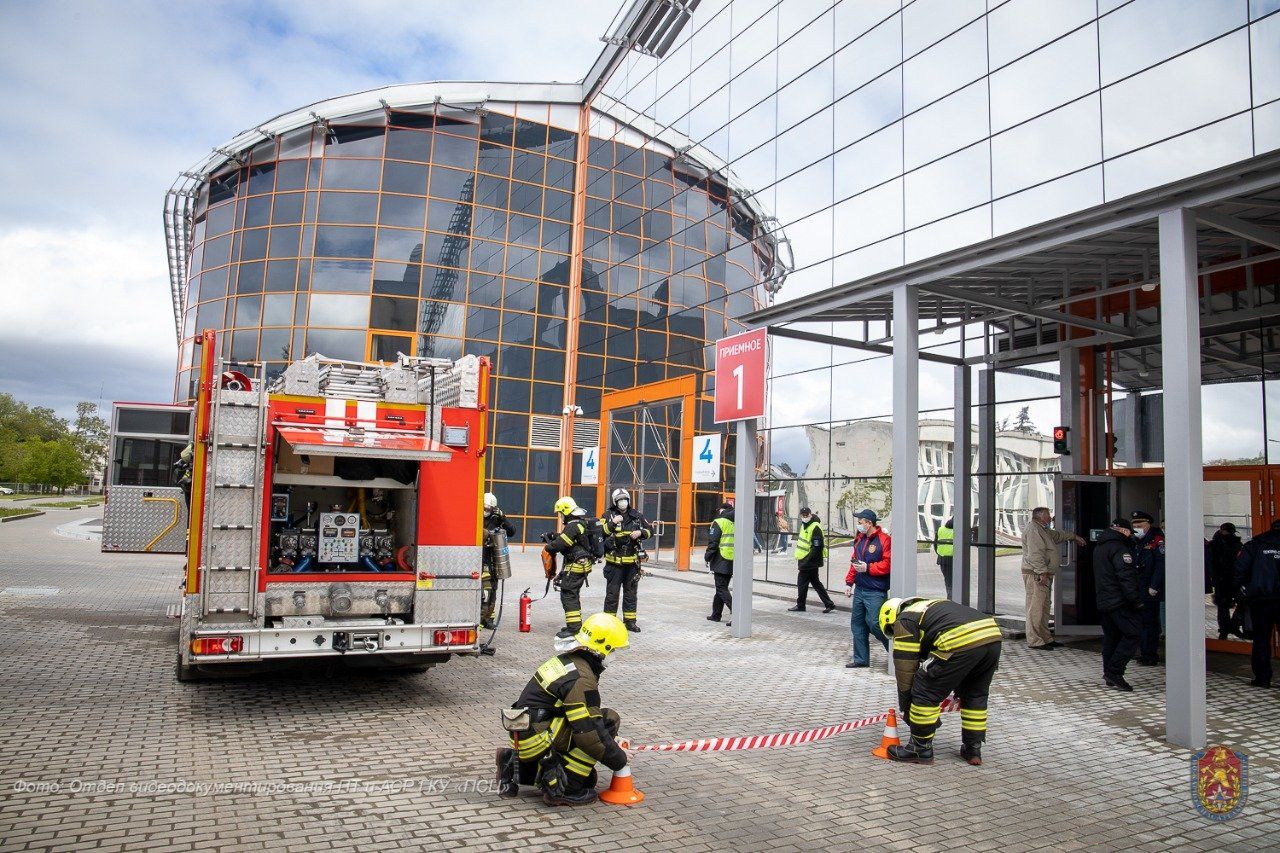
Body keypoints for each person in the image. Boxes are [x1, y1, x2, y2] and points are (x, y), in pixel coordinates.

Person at [495, 613, 631, 805]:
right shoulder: (582, 678)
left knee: (591, 772)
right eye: (614, 649)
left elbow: (579, 715)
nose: (615, 655)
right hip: (537, 736)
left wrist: (611, 741)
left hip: (525, 734)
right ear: (604, 647)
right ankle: (563, 789)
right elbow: (588, 734)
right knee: (607, 721)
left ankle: (513, 764)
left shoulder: (570, 661)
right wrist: (619, 759)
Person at [879, 596, 1002, 765]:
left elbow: (905, 669)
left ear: (890, 619)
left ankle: (919, 748)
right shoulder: (927, 607)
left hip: (959, 640)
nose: (895, 635)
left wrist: (907, 705)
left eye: (892, 631)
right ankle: (973, 749)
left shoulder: (904, 620)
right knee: (974, 694)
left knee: (924, 689)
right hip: (992, 636)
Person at [1020, 507, 1085, 651]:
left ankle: (1045, 637)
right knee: (1035, 607)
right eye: (1048, 514)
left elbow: (1056, 536)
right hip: (1036, 574)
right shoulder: (1033, 530)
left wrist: (1073, 536)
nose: (1050, 517)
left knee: (1044, 606)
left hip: (1044, 574)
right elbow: (1035, 554)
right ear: (1041, 516)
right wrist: (1042, 572)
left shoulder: (1042, 529)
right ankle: (1035, 640)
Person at [1093, 518, 1140, 691]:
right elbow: (1126, 577)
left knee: (1111, 637)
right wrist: (1136, 601)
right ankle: (1115, 671)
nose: (1131, 535)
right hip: (1119, 601)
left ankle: (1109, 674)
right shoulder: (1119, 548)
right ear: (1122, 531)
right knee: (1133, 634)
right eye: (1129, 532)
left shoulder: (1101, 545)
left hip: (1104, 600)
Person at [1234, 518, 1280, 689]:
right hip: (1266, 599)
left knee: (1261, 639)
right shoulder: (1254, 545)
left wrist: (1239, 590)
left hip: (1260, 600)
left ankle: (1263, 678)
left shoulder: (1255, 544)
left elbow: (1240, 569)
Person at [543, 496, 597, 639]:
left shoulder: (573, 525)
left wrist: (549, 546)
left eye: (561, 513)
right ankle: (574, 625)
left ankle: (573, 629)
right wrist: (553, 535)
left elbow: (561, 544)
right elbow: (567, 538)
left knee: (568, 595)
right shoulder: (578, 523)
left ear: (566, 511)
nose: (561, 517)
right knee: (572, 595)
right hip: (579, 564)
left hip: (576, 566)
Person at [601, 488, 653, 633]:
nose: (623, 502)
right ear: (615, 501)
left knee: (631, 594)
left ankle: (630, 622)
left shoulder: (636, 516)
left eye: (625, 499)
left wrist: (641, 532)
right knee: (612, 595)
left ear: (629, 500)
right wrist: (612, 523)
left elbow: (650, 531)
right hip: (614, 564)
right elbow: (600, 533)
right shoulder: (607, 515)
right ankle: (609, 623)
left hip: (632, 565)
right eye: (620, 500)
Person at [844, 509, 890, 668]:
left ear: (869, 523)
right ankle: (861, 659)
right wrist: (849, 583)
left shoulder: (884, 540)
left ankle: (896, 652)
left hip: (875, 590)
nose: (859, 525)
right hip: (860, 589)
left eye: (860, 522)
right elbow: (854, 562)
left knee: (875, 623)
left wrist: (868, 568)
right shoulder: (860, 539)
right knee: (857, 624)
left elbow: (888, 564)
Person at [1130, 511, 1165, 666]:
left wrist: (1154, 586)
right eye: (1135, 525)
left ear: (1148, 524)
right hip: (1139, 587)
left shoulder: (1157, 541)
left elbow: (1161, 565)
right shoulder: (1137, 541)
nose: (1137, 528)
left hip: (1150, 589)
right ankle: (1144, 652)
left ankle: (1150, 654)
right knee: (1141, 622)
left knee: (1150, 623)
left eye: (1140, 525)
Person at [788, 507, 837, 613]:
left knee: (801, 583)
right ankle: (829, 604)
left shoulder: (815, 527)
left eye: (806, 515)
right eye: (803, 515)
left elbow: (817, 546)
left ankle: (801, 605)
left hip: (810, 561)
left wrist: (807, 561)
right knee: (815, 582)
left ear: (810, 514)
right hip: (805, 559)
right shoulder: (804, 525)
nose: (805, 517)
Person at [481, 492, 516, 630]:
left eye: (488, 509)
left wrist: (503, 517)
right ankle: (480, 618)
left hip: (492, 559)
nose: (485, 511)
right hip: (479, 558)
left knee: (493, 589)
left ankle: (488, 619)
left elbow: (512, 531)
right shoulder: (474, 515)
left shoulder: (496, 518)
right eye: (483, 508)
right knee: (486, 590)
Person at [1208, 523, 1244, 640]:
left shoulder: (1214, 544)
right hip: (1231, 579)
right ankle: (1230, 627)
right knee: (1237, 603)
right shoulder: (1236, 544)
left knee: (1223, 606)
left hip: (1222, 580)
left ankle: (1227, 628)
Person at [705, 502, 735, 626]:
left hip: (721, 558)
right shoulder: (735, 522)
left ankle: (736, 613)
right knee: (721, 588)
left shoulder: (719, 522)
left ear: (722, 510)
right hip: (731, 557)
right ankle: (716, 614)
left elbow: (713, 542)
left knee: (721, 588)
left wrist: (707, 557)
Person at [933, 518, 955, 600]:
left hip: (943, 559)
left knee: (948, 580)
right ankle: (953, 599)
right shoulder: (959, 530)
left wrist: (940, 553)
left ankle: (950, 597)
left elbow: (935, 544)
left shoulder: (941, 529)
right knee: (957, 580)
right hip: (955, 559)